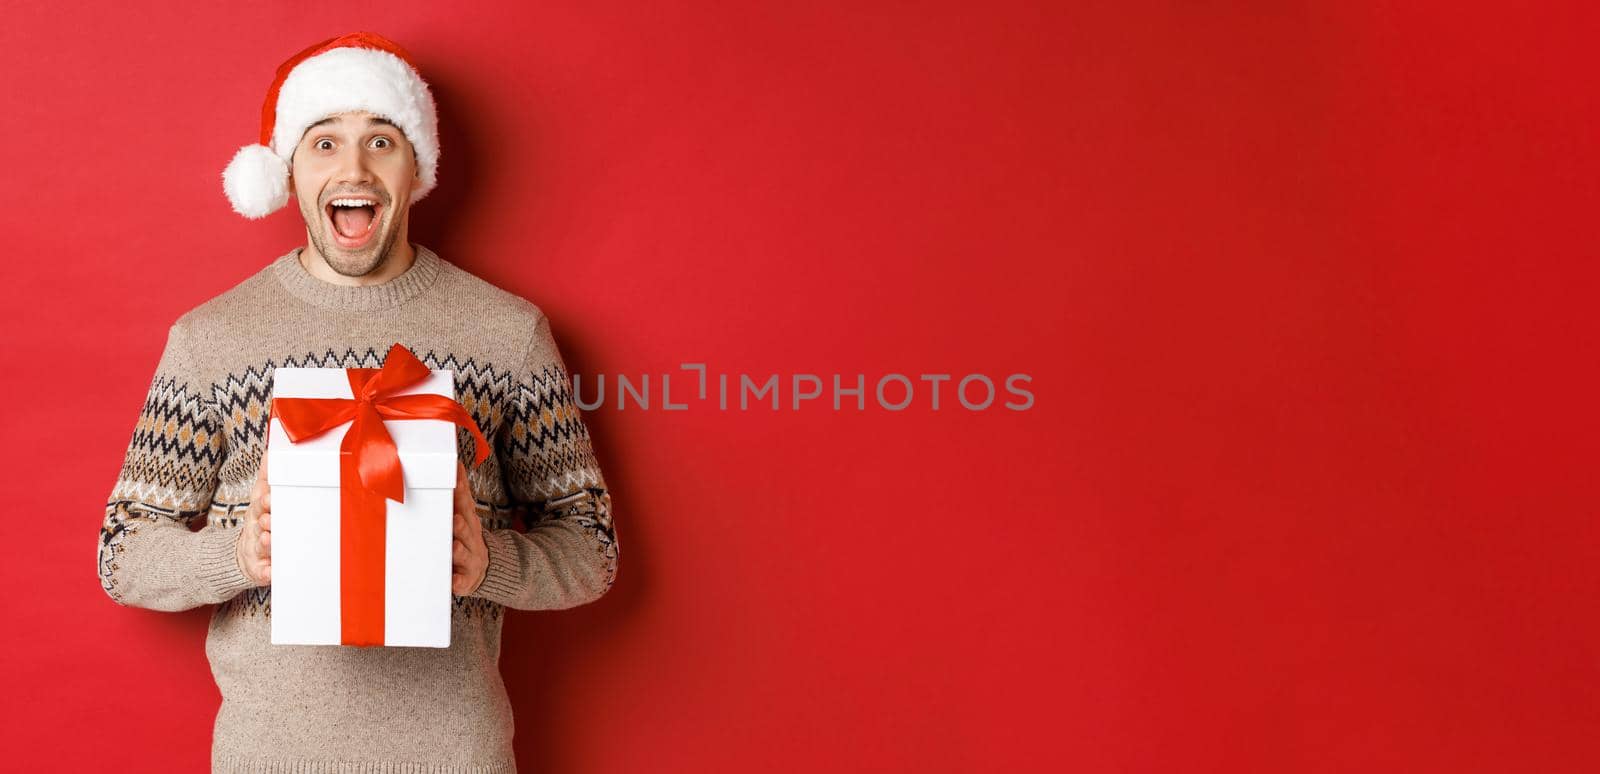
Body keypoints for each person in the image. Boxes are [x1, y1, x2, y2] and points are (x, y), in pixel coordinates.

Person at [95, 31, 618, 773]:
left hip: (453, 755)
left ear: (416, 169)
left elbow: (591, 547)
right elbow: (123, 554)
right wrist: (237, 554)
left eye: (381, 140)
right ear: (287, 172)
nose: (353, 167)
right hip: (268, 757)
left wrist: (489, 562)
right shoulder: (211, 339)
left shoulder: (508, 333)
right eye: (323, 143)